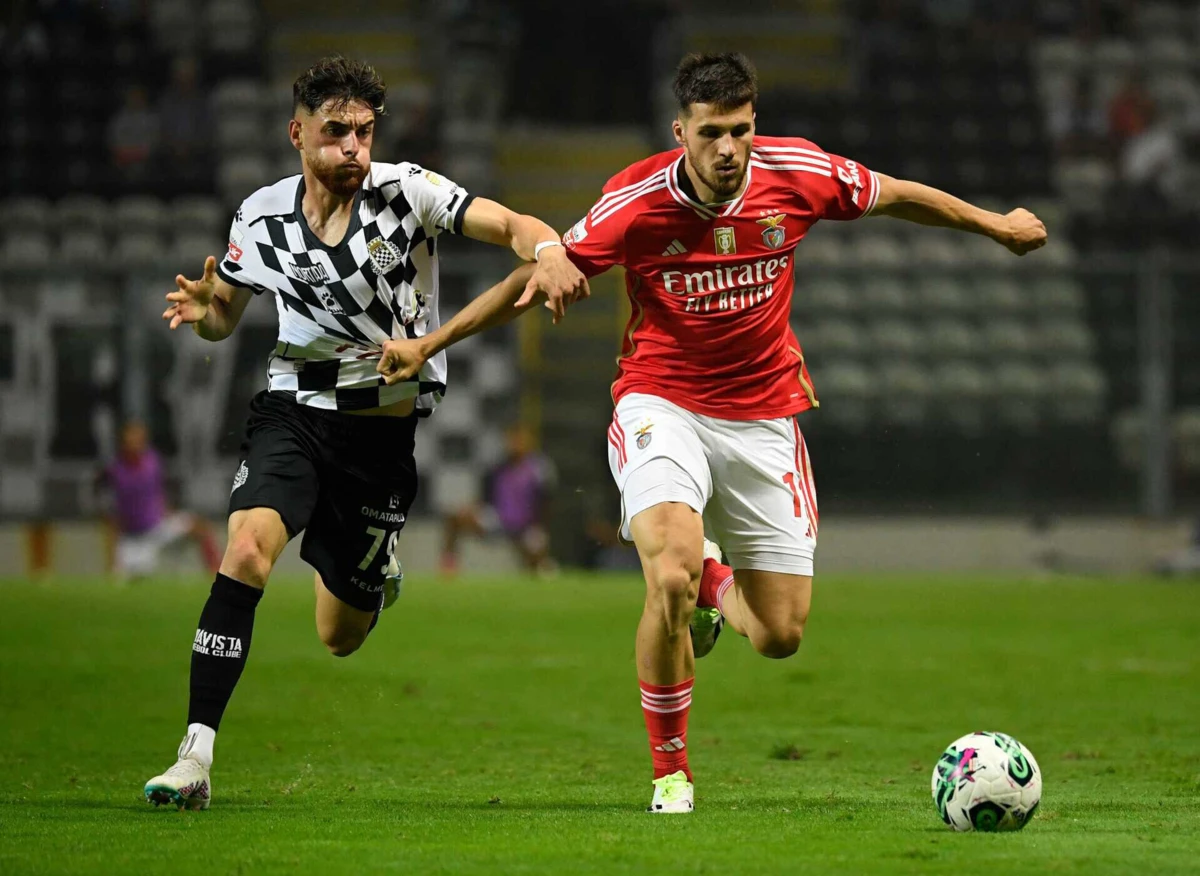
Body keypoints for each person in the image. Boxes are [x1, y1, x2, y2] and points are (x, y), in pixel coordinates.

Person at [530, 52, 1045, 812]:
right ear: (683, 132)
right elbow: (549, 268)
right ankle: (671, 771)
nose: (728, 148)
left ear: (754, 124)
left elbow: (895, 194)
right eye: (711, 133)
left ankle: (713, 576)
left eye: (739, 129)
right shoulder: (634, 200)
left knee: (779, 635)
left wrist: (994, 225)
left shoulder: (798, 172)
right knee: (663, 575)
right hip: (660, 400)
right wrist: (433, 345)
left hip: (765, 415)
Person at [144, 56, 587, 810]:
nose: (353, 146)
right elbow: (228, 314)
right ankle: (195, 755)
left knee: (339, 635)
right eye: (336, 132)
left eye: (364, 132)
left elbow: (511, 224)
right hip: (290, 411)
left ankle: (374, 580)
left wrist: (546, 252)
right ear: (298, 134)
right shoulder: (260, 215)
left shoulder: (408, 191)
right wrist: (206, 313)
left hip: (379, 439)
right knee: (246, 551)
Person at [97, 421, 221, 580]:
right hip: (134, 538)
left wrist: (166, 509)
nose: (136, 442)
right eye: (131, 438)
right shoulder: (113, 470)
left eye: (140, 437)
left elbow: (158, 490)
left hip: (159, 526)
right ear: (123, 442)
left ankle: (217, 574)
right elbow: (104, 503)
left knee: (200, 528)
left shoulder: (153, 460)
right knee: (133, 581)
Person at [440, 424, 557, 576]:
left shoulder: (540, 469)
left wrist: (540, 529)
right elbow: (485, 498)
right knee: (455, 517)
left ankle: (542, 568)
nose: (515, 444)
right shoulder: (497, 467)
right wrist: (473, 508)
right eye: (512, 440)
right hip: (498, 520)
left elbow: (546, 503)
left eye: (520, 440)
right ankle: (448, 567)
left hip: (527, 526)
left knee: (535, 553)